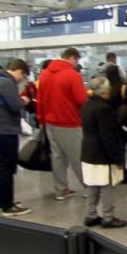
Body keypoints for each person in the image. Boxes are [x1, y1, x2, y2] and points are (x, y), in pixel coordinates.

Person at [37, 47, 87, 201]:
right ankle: (89, 188)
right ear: (72, 58)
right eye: (76, 60)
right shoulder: (72, 75)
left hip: (50, 122)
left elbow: (40, 99)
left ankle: (61, 190)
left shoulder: (45, 74)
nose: (76, 64)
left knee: (57, 157)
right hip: (69, 122)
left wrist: (41, 120)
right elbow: (81, 99)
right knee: (78, 156)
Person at [80, 76, 127, 228]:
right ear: (104, 92)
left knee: (92, 185)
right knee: (106, 185)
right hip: (102, 154)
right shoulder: (104, 109)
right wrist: (118, 158)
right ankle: (108, 217)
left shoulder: (86, 106)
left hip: (88, 150)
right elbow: (108, 137)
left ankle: (90, 215)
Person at [0, 59, 32, 217]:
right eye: (23, 75)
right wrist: (24, 101)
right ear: (18, 70)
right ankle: (7, 205)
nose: (22, 79)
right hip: (5, 130)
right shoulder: (6, 83)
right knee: (7, 168)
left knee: (1, 167)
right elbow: (14, 105)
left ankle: (2, 202)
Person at [102, 64, 127, 184]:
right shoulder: (123, 87)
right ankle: (123, 174)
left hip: (108, 120)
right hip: (123, 121)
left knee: (111, 147)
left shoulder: (106, 88)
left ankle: (111, 173)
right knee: (122, 148)